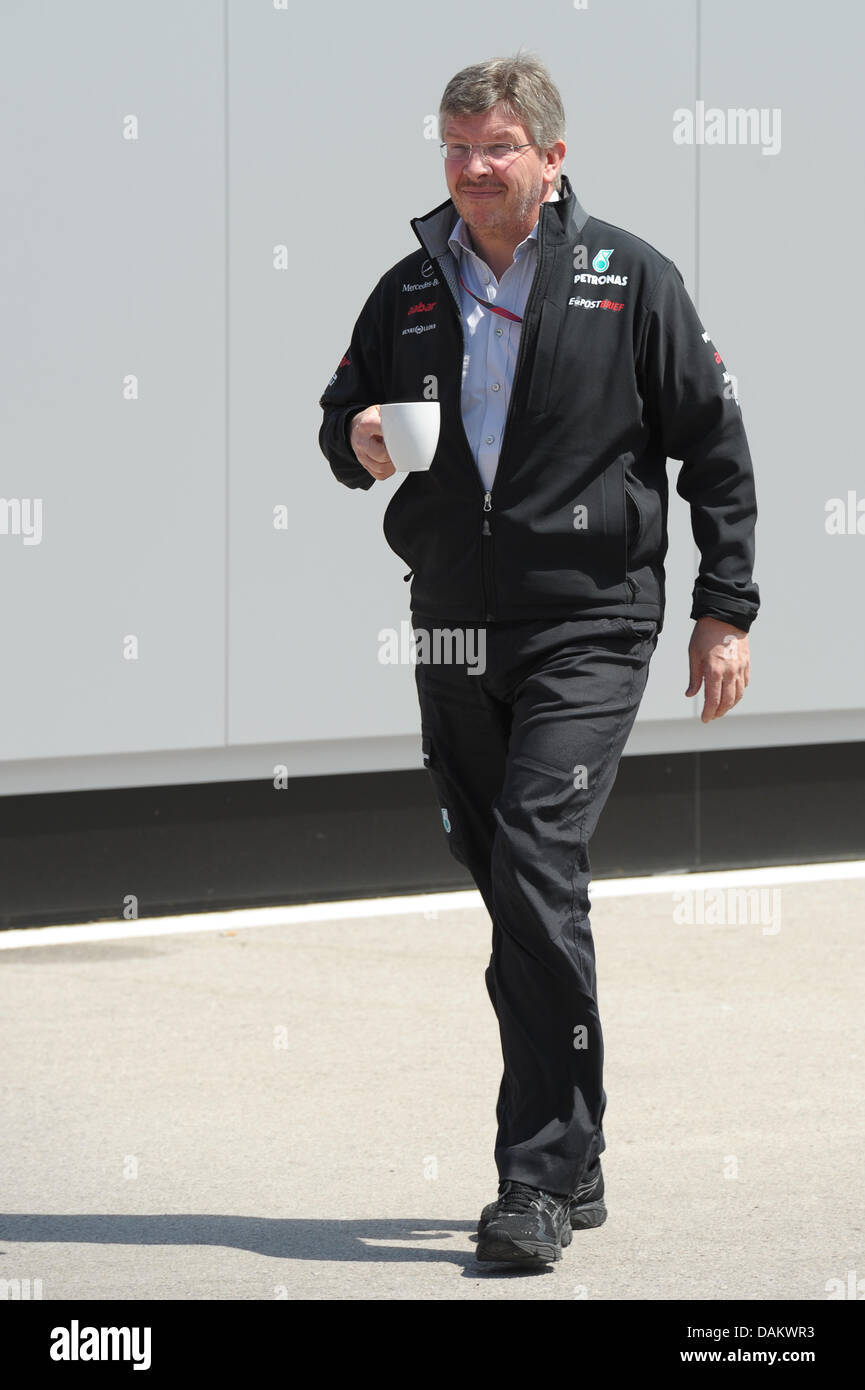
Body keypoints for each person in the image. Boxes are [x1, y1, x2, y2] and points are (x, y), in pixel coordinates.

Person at [318, 52, 759, 1267]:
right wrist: (356, 435)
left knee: (532, 855)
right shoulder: (411, 287)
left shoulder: (628, 278)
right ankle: (582, 1137)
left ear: (550, 157)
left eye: (495, 145)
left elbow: (712, 444)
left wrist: (724, 608)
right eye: (454, 146)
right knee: (508, 881)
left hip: (590, 619)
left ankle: (536, 1179)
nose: (469, 167)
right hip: (456, 620)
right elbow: (342, 418)